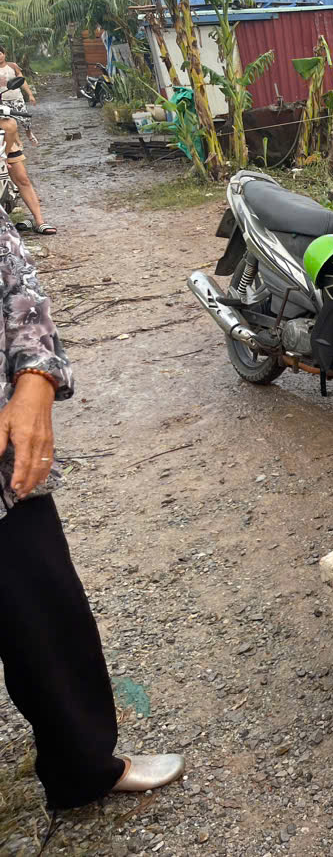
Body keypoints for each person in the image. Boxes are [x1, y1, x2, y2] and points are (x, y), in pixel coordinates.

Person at [0, 221, 183, 808]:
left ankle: (81, 769)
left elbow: (19, 292)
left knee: (49, 623)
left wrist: (35, 382)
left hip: (5, 478)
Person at [0, 46, 53, 235]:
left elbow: (10, 126)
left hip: (6, 140)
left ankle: (39, 220)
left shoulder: (12, 67)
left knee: (22, 179)